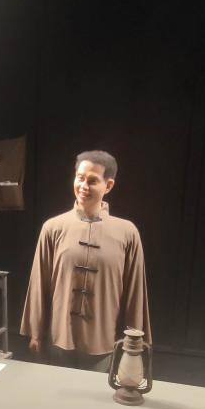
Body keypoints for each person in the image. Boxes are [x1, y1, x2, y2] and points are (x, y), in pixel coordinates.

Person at [20, 150, 151, 371]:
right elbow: (39, 284)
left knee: (95, 393)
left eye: (92, 181)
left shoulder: (127, 233)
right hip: (59, 340)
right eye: (80, 178)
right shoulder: (53, 228)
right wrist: (35, 333)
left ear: (108, 185)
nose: (83, 186)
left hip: (103, 344)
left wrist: (135, 343)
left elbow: (135, 293)